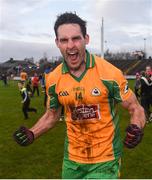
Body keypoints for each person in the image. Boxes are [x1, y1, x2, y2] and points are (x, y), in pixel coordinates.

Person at [13, 12, 145, 179]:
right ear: (57, 43)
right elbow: (52, 115)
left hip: (106, 160)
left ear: (86, 39)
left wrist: (136, 127)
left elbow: (135, 107)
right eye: (64, 40)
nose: (70, 46)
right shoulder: (53, 79)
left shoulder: (109, 74)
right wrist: (32, 133)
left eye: (76, 38)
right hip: (72, 161)